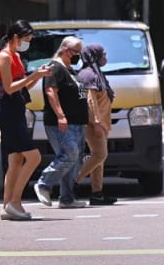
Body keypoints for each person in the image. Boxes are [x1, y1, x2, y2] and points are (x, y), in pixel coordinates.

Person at [30, 37, 91, 209]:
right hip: (62, 123)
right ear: (65, 50)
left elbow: (80, 95)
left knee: (75, 160)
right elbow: (51, 91)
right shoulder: (55, 67)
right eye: (76, 52)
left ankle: (67, 198)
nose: (78, 56)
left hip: (77, 123)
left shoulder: (70, 70)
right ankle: (43, 184)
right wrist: (61, 115)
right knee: (69, 154)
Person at [0, 21, 50, 220]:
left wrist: (38, 76)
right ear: (15, 37)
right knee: (34, 157)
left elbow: (22, 87)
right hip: (8, 111)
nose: (27, 44)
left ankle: (7, 206)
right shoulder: (3, 57)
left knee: (16, 159)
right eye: (26, 40)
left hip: (17, 108)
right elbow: (9, 88)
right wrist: (34, 75)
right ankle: (15, 202)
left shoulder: (16, 56)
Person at [74, 43, 117, 205]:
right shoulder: (87, 75)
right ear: (95, 56)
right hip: (93, 124)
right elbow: (89, 101)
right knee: (100, 155)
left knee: (98, 160)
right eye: (103, 55)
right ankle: (73, 181)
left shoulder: (96, 74)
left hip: (102, 124)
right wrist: (96, 123)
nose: (105, 58)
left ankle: (97, 193)